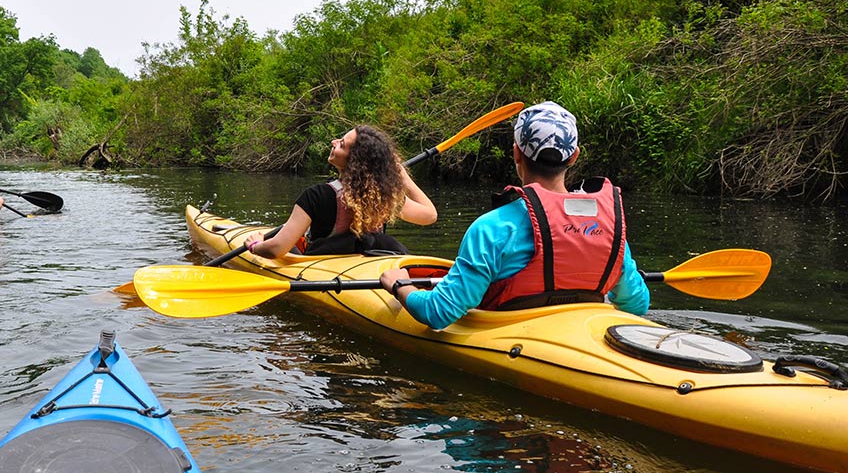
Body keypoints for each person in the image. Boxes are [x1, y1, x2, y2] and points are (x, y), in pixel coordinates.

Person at [380, 101, 650, 327]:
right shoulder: (608, 229)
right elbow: (637, 304)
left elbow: (438, 313)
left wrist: (399, 285)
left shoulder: (493, 228)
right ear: (574, 156)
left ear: (516, 153)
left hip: (513, 341)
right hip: (576, 336)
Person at [243, 125, 437, 257]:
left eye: (342, 144)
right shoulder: (384, 196)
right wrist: (403, 178)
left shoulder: (317, 196)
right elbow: (429, 215)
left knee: (290, 245)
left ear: (354, 163)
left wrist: (255, 245)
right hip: (369, 261)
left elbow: (277, 249)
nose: (334, 142)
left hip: (323, 265)